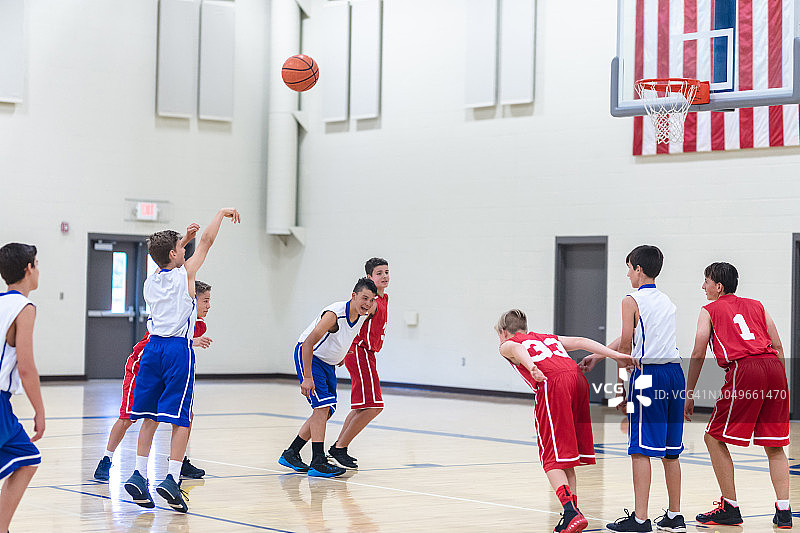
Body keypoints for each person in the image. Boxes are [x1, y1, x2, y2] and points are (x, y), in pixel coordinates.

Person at [123, 208, 239, 513]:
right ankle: (172, 478)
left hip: (152, 349)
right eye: (181, 247)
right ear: (176, 254)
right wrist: (219, 215)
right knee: (181, 418)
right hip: (177, 349)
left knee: (149, 415)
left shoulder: (151, 281)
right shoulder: (185, 274)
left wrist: (182, 239)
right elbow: (208, 242)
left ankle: (138, 472)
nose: (186, 248)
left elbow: (170, 256)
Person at [495, 309, 636, 533]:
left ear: (504, 332)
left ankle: (570, 511)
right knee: (567, 455)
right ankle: (573, 514)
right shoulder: (547, 338)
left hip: (554, 383)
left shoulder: (507, 344)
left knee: (550, 457)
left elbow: (517, 348)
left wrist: (531, 366)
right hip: (578, 380)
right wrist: (615, 355)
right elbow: (581, 341)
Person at [581, 246, 685, 533]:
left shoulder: (631, 299)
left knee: (640, 450)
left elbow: (627, 346)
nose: (627, 273)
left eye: (629, 267)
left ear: (639, 269)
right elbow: (634, 337)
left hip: (648, 375)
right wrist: (599, 354)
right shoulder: (666, 300)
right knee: (670, 452)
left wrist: (620, 388)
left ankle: (640, 520)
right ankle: (675, 516)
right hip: (675, 374)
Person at [684, 262, 791, 529]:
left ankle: (729, 507)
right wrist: (779, 387)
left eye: (706, 281)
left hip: (746, 368)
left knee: (712, 437)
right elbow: (777, 346)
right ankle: (784, 511)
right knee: (774, 445)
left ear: (718, 287)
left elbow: (697, 353)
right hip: (774, 367)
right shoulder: (758, 305)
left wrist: (688, 393)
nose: (703, 287)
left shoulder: (708, 310)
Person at [93, 277, 214, 482]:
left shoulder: (197, 325)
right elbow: (161, 340)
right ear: (192, 301)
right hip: (141, 367)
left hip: (168, 370)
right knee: (128, 418)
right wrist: (190, 341)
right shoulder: (171, 315)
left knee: (185, 415)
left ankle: (179, 460)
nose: (209, 306)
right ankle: (106, 459)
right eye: (205, 301)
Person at [279, 278, 378, 478]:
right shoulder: (334, 315)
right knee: (321, 408)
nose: (367, 303)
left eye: (371, 299)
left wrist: (341, 354)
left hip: (328, 363)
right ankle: (318, 461)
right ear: (354, 295)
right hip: (310, 356)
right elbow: (307, 344)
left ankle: (291, 453)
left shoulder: (363, 313)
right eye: (364, 298)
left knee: (327, 411)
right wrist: (307, 377)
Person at [0, 243, 45, 533]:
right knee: (27, 457)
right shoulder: (23, 308)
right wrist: (40, 412)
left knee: (26, 457)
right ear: (28, 269)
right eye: (37, 264)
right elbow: (27, 368)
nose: (38, 270)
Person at [330, 257, 390, 469]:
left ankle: (339, 447)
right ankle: (339, 448)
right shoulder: (371, 303)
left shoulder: (384, 298)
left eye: (386, 272)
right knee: (374, 407)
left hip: (367, 353)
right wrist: (344, 347)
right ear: (369, 277)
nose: (384, 276)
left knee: (362, 407)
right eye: (379, 273)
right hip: (359, 351)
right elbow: (353, 321)